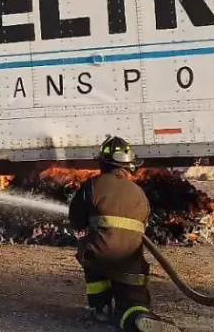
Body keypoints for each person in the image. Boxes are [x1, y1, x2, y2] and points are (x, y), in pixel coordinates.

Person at [69, 136, 181, 332]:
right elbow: (143, 225)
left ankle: (102, 308)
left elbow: (76, 219)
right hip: (131, 259)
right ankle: (136, 314)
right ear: (128, 166)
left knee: (89, 251)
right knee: (132, 298)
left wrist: (87, 235)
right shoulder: (139, 192)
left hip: (100, 254)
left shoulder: (92, 185)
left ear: (103, 163)